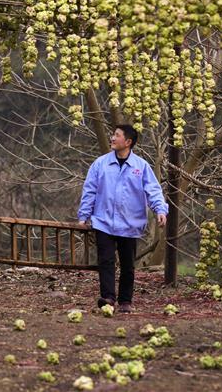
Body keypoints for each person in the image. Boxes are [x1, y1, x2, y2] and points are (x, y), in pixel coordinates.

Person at [77, 124, 168, 314]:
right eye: (112, 134)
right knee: (106, 261)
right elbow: (89, 190)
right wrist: (84, 215)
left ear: (128, 142)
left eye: (117, 135)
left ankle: (125, 300)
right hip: (104, 221)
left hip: (130, 223)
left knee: (128, 265)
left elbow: (153, 190)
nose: (112, 138)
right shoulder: (100, 164)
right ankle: (108, 297)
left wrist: (160, 209)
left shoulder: (141, 166)